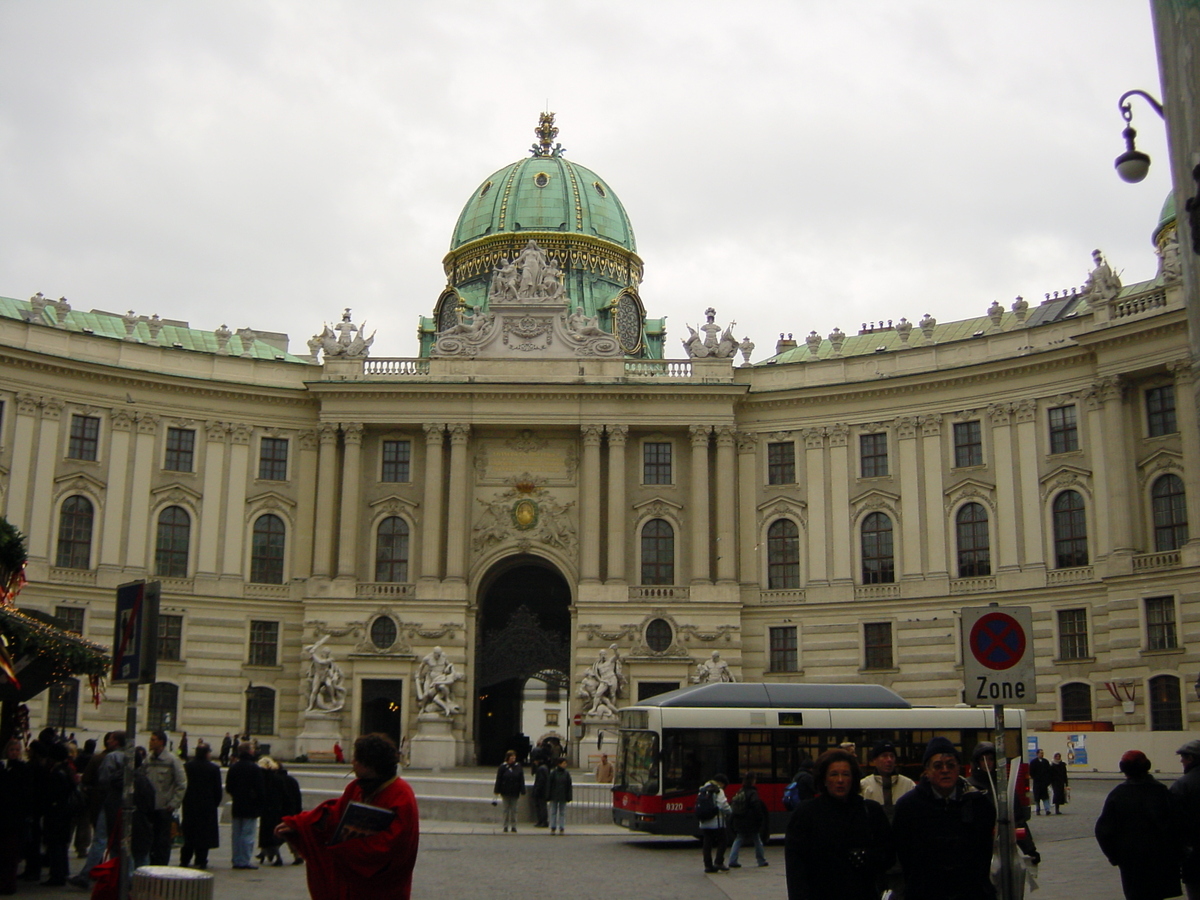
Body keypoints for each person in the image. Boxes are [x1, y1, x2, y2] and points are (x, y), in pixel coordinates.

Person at [276, 733, 419, 900]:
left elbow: (393, 845)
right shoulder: (357, 787)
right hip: (353, 884)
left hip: (382, 885)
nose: (353, 762)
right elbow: (335, 815)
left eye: (357, 760)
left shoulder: (401, 794)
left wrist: (342, 851)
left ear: (370, 765)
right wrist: (300, 824)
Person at [893, 736, 995, 900]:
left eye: (950, 765)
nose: (945, 770)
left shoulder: (978, 803)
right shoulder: (908, 807)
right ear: (926, 771)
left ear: (959, 769)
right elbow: (905, 854)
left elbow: (984, 851)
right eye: (938, 766)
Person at [785, 748, 893, 899]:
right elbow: (796, 868)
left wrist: (868, 857)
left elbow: (888, 854)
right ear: (824, 779)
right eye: (834, 774)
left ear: (853, 779)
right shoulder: (806, 813)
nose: (840, 780)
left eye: (846, 774)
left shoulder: (870, 810)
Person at [1095, 749, 1183, 900]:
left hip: (1131, 860)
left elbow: (1103, 831)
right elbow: (1175, 826)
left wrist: (1114, 856)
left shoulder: (1118, 794)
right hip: (1159, 858)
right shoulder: (1159, 791)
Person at [968, 742, 1040, 898]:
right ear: (977, 762)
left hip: (1004, 850)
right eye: (983, 759)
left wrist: (1030, 849)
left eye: (990, 759)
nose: (987, 763)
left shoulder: (1005, 787)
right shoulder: (970, 787)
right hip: (978, 854)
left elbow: (1018, 820)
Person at [144, 729, 187, 865]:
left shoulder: (172, 760)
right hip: (149, 807)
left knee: (163, 841)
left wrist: (174, 803)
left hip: (164, 808)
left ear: (161, 742)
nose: (150, 742)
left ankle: (161, 865)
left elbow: (182, 783)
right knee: (149, 840)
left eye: (153, 739)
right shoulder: (148, 759)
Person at [180, 744, 222, 869]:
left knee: (188, 834)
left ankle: (185, 859)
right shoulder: (213, 768)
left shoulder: (187, 767)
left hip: (190, 806)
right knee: (204, 835)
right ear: (207, 754)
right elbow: (217, 790)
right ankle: (201, 860)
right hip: (207, 806)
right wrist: (214, 803)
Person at [226, 741, 266, 869]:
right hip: (251, 805)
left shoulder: (234, 767)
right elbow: (260, 789)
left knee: (236, 834)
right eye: (253, 749)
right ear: (249, 751)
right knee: (248, 834)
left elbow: (229, 787)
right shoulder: (255, 768)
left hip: (237, 804)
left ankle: (236, 859)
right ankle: (244, 860)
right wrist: (259, 802)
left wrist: (237, 795)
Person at [1171, 739, 1200, 900]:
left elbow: (1174, 823)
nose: (1181, 760)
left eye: (1184, 757)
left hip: (1194, 854)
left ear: (1192, 759)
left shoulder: (1182, 785)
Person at [859, 740, 915, 820]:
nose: (889, 760)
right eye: (884, 756)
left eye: (892, 756)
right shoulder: (864, 785)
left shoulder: (908, 785)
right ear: (875, 760)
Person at [728, 772, 769, 869]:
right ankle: (761, 860)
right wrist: (760, 819)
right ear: (752, 781)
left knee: (738, 839)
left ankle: (732, 860)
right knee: (757, 839)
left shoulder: (740, 791)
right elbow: (756, 807)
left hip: (739, 819)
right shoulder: (752, 793)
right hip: (750, 821)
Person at [697, 774, 732, 874]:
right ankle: (719, 862)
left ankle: (708, 865)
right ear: (721, 783)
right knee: (723, 841)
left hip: (704, 821)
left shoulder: (702, 789)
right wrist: (730, 811)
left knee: (707, 843)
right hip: (717, 822)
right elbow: (723, 804)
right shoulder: (718, 790)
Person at [493, 750, 526, 833]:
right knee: (506, 810)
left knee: (514, 810)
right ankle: (505, 826)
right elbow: (499, 779)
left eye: (514, 757)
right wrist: (496, 790)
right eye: (511, 757)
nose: (513, 759)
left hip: (515, 791)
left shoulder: (518, 766)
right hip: (505, 791)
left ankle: (514, 826)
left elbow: (521, 779)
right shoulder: (503, 767)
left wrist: (522, 789)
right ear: (508, 758)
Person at [546, 757, 572, 834]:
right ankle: (553, 827)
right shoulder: (553, 773)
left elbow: (568, 786)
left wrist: (569, 796)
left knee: (562, 812)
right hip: (554, 795)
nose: (565, 765)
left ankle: (562, 827)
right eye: (564, 763)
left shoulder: (566, 774)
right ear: (559, 764)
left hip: (563, 795)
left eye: (565, 763)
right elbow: (549, 785)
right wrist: (548, 795)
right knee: (553, 811)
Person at [1029, 748, 1051, 815]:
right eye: (1041, 753)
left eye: (1042, 753)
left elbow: (1049, 771)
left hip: (1044, 783)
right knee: (1037, 797)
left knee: (1045, 797)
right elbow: (1031, 772)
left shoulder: (1046, 762)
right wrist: (1035, 777)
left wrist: (1048, 781)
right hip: (1037, 782)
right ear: (1037, 754)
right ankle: (1037, 809)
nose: (1042, 754)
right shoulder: (1033, 762)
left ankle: (1047, 809)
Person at [531, 755, 550, 828]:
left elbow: (540, 781)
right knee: (542, 806)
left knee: (540, 807)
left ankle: (542, 821)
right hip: (544, 791)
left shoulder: (540, 769)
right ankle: (543, 821)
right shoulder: (545, 768)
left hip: (540, 792)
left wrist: (536, 790)